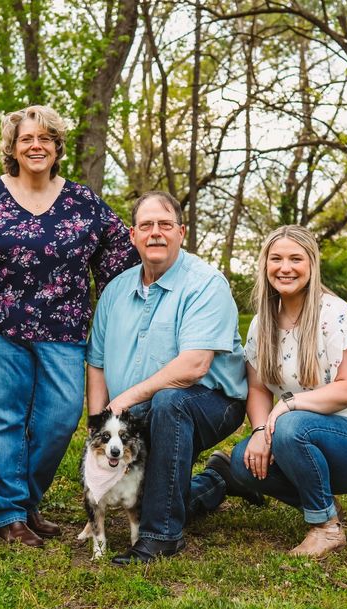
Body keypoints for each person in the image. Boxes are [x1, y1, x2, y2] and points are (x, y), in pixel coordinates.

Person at [0, 105, 138, 547]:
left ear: (57, 147)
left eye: (45, 138)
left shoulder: (83, 202)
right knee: (3, 418)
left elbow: (121, 258)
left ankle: (25, 501)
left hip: (62, 327)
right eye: (26, 138)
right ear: (11, 147)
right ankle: (9, 513)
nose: (36, 145)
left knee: (62, 417)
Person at [86, 190, 260, 565]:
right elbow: (97, 363)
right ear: (132, 235)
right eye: (146, 225)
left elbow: (194, 366)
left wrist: (126, 401)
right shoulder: (115, 292)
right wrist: (101, 424)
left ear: (182, 232)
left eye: (165, 225)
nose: (156, 233)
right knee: (157, 492)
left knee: (169, 403)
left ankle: (161, 536)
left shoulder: (205, 284)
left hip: (209, 403)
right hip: (136, 411)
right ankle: (217, 480)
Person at [206, 224, 347, 558]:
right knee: (242, 461)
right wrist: (261, 430)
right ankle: (323, 504)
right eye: (276, 258)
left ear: (312, 264)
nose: (285, 267)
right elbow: (258, 386)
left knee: (291, 427)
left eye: (296, 258)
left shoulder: (334, 314)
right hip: (306, 435)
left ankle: (326, 529)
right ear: (265, 265)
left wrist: (287, 407)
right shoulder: (262, 323)